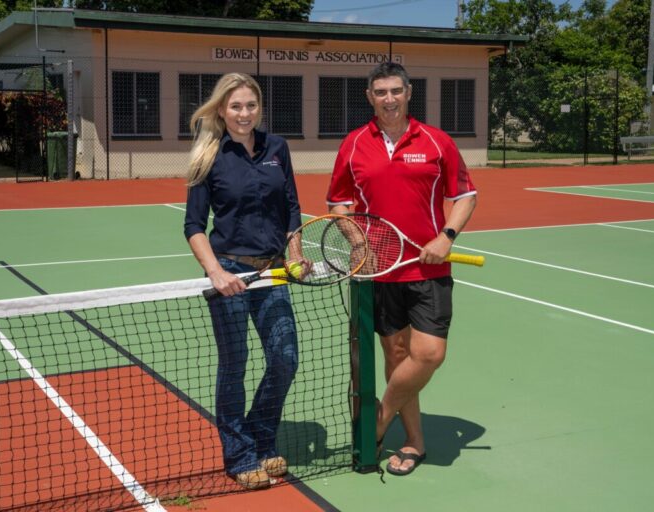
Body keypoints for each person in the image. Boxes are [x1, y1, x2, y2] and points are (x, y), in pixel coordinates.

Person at [326, 62, 477, 476]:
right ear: (369, 97)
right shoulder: (355, 144)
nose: (389, 99)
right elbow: (338, 203)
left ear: (409, 93)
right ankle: (414, 443)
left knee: (428, 353)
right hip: (379, 271)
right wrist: (358, 242)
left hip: (428, 271)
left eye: (396, 91)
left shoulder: (436, 141)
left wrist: (445, 236)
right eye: (380, 92)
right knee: (395, 357)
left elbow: (465, 196)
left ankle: (378, 421)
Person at [184, 72, 307, 490]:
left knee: (285, 356)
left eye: (250, 105)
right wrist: (216, 273)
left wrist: (296, 255)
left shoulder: (277, 148)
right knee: (234, 365)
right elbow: (194, 226)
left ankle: (262, 435)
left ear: (259, 108)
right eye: (235, 106)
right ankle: (239, 454)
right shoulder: (209, 155)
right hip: (230, 272)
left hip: (272, 271)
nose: (243, 113)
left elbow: (291, 208)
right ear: (222, 109)